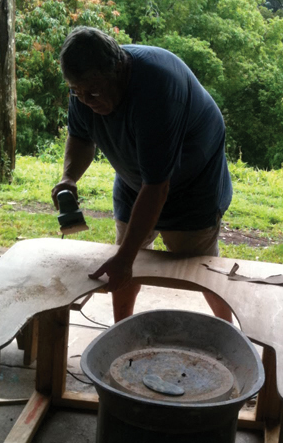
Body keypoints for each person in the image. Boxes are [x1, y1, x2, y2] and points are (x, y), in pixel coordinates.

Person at [52, 26, 233, 323]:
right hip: (134, 176)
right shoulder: (85, 86)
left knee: (203, 270)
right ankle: (120, 330)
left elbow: (157, 187)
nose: (85, 99)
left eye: (93, 92)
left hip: (193, 183)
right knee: (123, 261)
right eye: (76, 91)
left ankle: (232, 333)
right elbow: (81, 137)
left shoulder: (158, 92)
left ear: (120, 70)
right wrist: (69, 177)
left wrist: (125, 258)